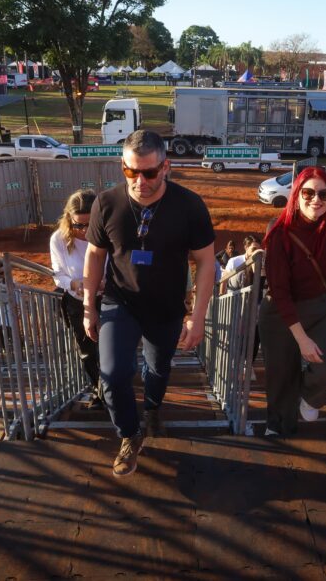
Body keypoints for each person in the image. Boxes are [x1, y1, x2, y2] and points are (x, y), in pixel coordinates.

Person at [83, 130, 216, 477]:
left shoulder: (189, 205)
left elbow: (205, 262)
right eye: (130, 172)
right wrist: (88, 305)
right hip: (119, 300)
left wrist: (197, 317)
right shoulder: (107, 203)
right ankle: (130, 434)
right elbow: (95, 255)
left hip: (166, 307)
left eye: (149, 173)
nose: (139, 181)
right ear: (122, 166)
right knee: (112, 375)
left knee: (157, 369)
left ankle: (153, 407)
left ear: (166, 166)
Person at [259, 166, 326, 437]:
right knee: (280, 375)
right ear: (296, 194)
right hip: (280, 313)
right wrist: (301, 338)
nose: (316, 199)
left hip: (320, 308)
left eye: (324, 194)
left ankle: (309, 398)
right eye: (308, 192)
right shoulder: (279, 233)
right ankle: (278, 425)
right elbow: (280, 291)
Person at [50, 189, 103, 408]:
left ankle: (112, 386)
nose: (82, 231)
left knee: (111, 348)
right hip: (77, 301)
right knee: (87, 350)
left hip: (108, 298)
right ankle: (98, 391)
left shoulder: (107, 233)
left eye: (88, 225)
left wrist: (103, 284)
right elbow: (58, 274)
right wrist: (73, 284)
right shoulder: (59, 239)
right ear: (68, 220)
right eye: (77, 225)